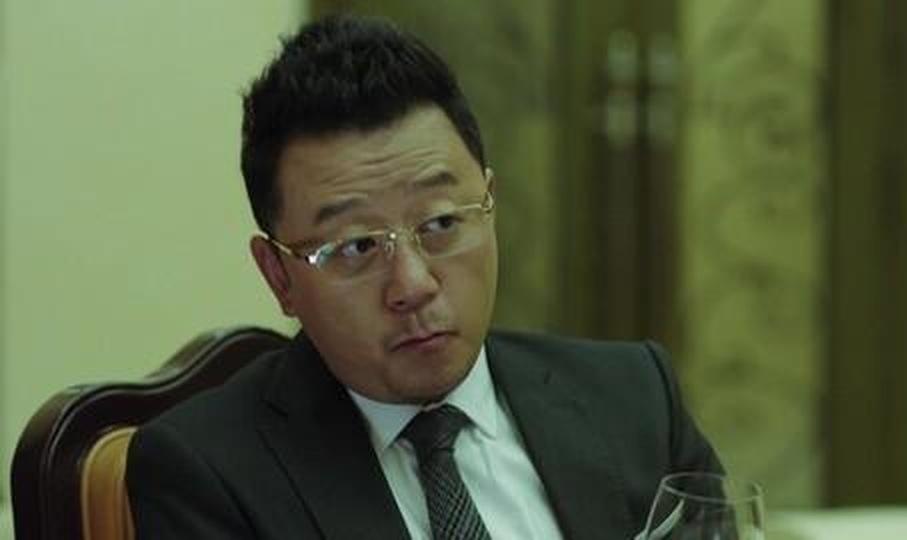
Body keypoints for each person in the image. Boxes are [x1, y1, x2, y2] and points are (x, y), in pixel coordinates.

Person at [126, 13, 722, 540]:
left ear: (490, 206)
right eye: (357, 246)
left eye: (440, 223)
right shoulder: (209, 472)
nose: (412, 285)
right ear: (279, 275)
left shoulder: (635, 397)